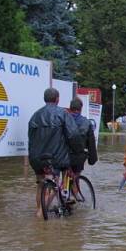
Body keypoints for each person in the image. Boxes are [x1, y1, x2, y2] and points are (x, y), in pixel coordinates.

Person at [28, 87, 74, 217]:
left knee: (41, 185)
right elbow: (73, 135)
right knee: (54, 185)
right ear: (57, 99)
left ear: (45, 99)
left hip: (36, 158)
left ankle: (40, 211)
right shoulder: (63, 114)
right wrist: (77, 151)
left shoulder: (35, 116)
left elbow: (30, 138)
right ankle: (40, 214)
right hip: (54, 158)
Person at [67, 97, 98, 175]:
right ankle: (75, 184)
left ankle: (63, 184)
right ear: (81, 109)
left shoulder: (64, 120)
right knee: (76, 178)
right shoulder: (87, 123)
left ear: (70, 108)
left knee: (65, 174)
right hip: (79, 157)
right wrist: (92, 160)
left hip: (64, 156)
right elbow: (91, 144)